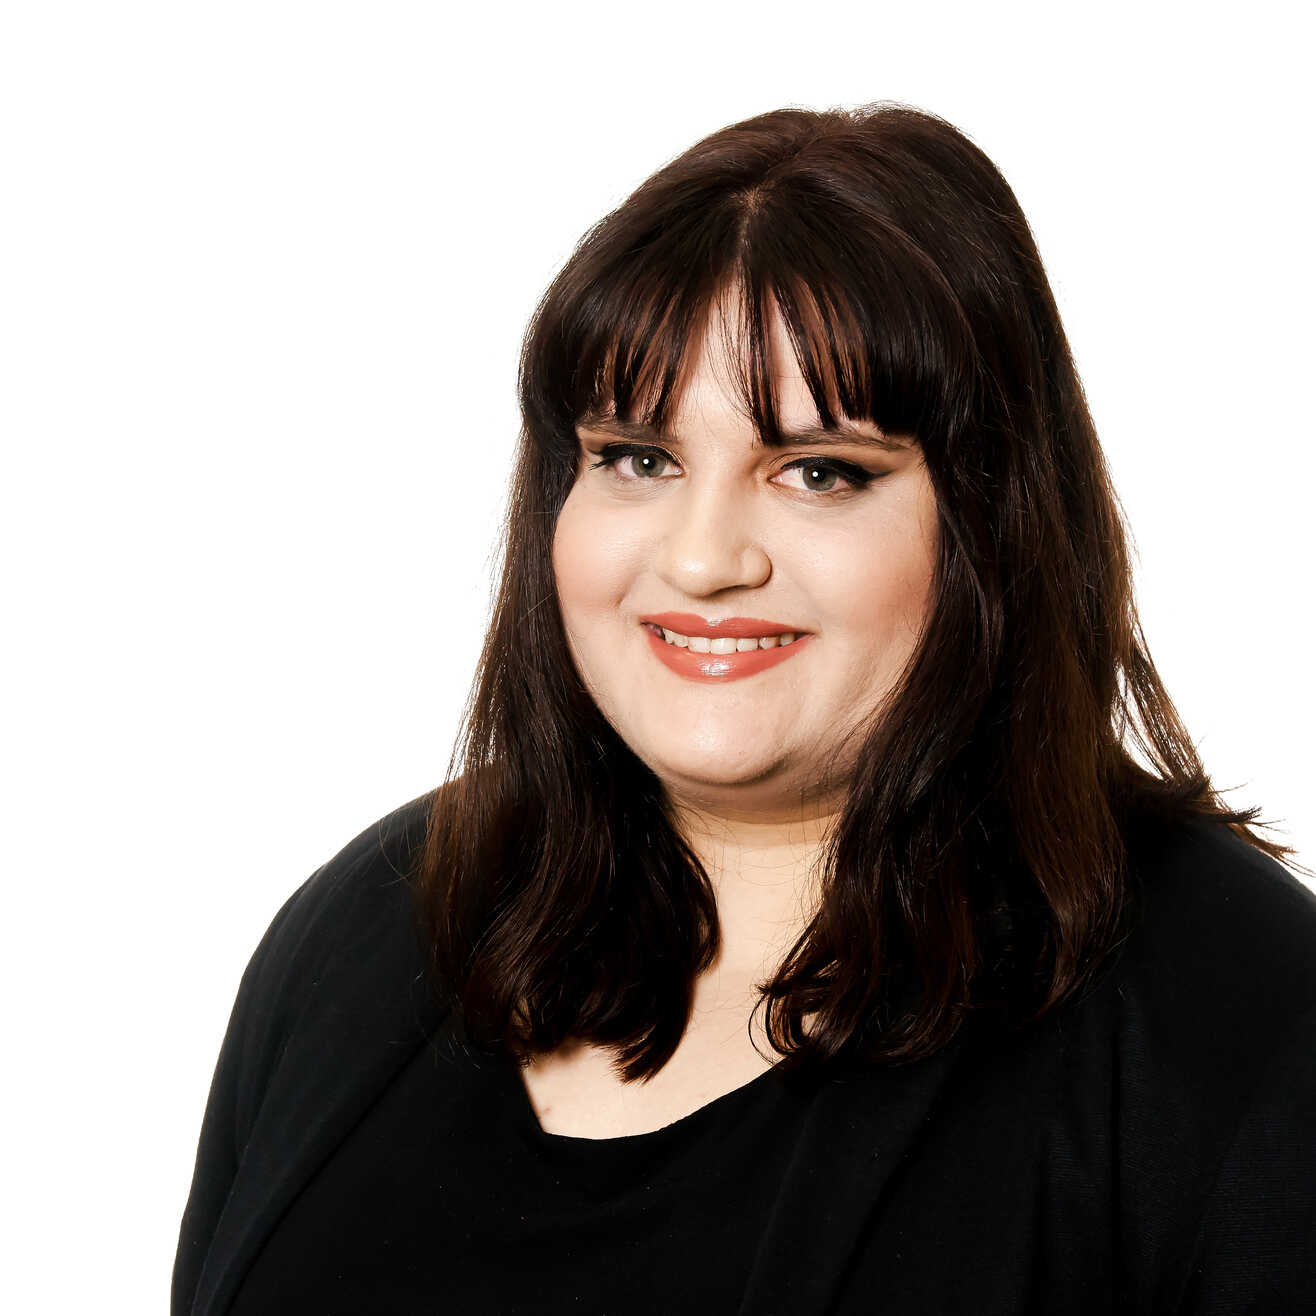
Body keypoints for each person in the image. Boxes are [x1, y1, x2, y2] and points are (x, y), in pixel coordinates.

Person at [172, 102, 1316, 1315]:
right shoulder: (373, 922)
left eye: (817, 471)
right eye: (637, 458)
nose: (703, 557)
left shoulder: (1236, 1021)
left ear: (991, 519)